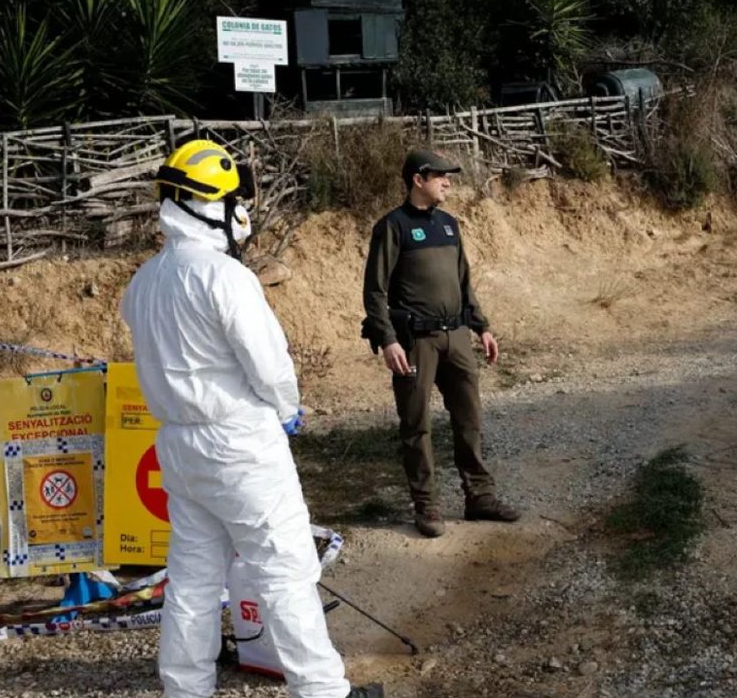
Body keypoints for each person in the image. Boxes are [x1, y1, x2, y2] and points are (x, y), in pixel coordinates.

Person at [120, 139, 381, 698]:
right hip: (239, 443)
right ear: (216, 204)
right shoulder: (225, 277)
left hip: (179, 447)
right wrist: (287, 408)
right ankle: (322, 691)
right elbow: (268, 363)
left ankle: (185, 691)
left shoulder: (144, 282)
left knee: (191, 581)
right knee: (285, 571)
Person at [362, 148, 518, 537]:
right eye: (441, 176)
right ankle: (427, 506)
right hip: (416, 342)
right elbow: (375, 291)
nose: (448, 182)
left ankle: (479, 498)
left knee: (470, 420)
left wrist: (481, 326)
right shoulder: (392, 227)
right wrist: (388, 340)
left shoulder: (449, 225)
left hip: (458, 338)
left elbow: (464, 282)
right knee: (417, 426)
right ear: (419, 179)